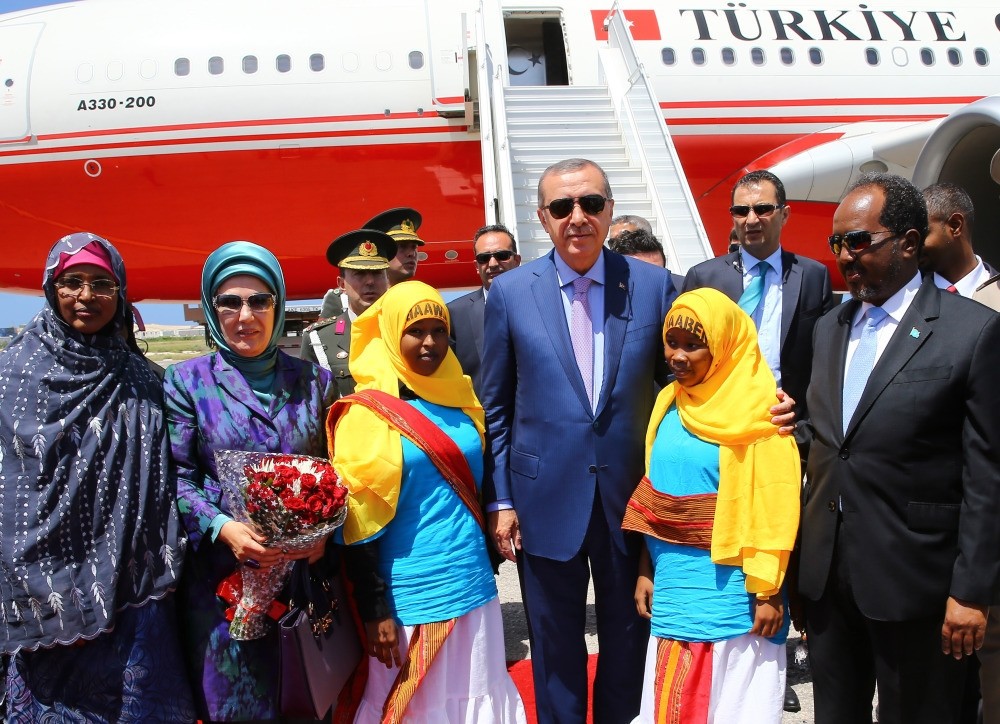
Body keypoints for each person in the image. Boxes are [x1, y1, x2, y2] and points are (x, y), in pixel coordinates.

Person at [798, 173, 1000, 724]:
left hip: (920, 586)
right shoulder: (828, 329)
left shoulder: (972, 332)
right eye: (837, 243)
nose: (845, 256)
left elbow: (988, 475)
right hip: (829, 582)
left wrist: (972, 591)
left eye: (859, 242)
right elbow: (832, 442)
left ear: (909, 243)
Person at [0, 232, 194, 721]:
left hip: (134, 596)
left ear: (121, 293)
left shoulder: (144, 379)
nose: (86, 297)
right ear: (51, 289)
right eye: (72, 282)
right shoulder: (11, 376)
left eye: (102, 284)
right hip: (43, 590)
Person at [328, 280, 525, 723]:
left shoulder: (459, 393)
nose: (430, 342)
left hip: (473, 585)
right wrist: (373, 608)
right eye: (416, 331)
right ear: (392, 332)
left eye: (440, 330)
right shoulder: (366, 414)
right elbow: (357, 522)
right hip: (409, 598)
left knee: (475, 694)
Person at [164, 241, 336, 721]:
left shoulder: (315, 382)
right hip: (222, 582)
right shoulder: (186, 382)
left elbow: (336, 475)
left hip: (300, 580)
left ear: (278, 306)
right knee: (234, 705)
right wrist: (223, 527)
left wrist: (323, 537)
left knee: (306, 695)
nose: (246, 315)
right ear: (211, 309)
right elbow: (176, 477)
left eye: (259, 301)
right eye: (230, 302)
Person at [625, 288, 800, 723]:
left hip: (736, 601)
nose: (679, 356)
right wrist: (647, 568)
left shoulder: (763, 414)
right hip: (674, 592)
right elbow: (657, 492)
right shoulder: (669, 402)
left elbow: (774, 508)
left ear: (724, 345)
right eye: (672, 343)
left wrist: (770, 590)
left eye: (693, 344)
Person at [921, 181, 1000, 724]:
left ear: (955, 225)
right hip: (924, 530)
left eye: (920, 230)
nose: (910, 243)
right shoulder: (907, 308)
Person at [683, 170, 834, 453]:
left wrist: (806, 423)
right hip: (718, 429)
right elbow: (680, 359)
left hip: (787, 429)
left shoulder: (814, 276)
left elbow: (825, 360)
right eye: (741, 211)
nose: (751, 220)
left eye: (763, 209)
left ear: (785, 214)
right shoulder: (704, 277)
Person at [300, 229, 397, 397]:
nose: (370, 281)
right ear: (342, 284)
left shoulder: (405, 330)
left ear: (387, 280)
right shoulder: (319, 339)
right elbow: (310, 404)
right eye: (359, 274)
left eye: (377, 273)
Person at [448, 223, 521, 393]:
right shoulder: (455, 314)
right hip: (480, 417)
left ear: (517, 261)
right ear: (476, 266)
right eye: (484, 258)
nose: (493, 263)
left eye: (502, 255)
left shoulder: (540, 306)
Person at [362, 207, 425, 286]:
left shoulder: (418, 296)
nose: (411, 253)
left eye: (414, 247)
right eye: (402, 246)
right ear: (379, 252)